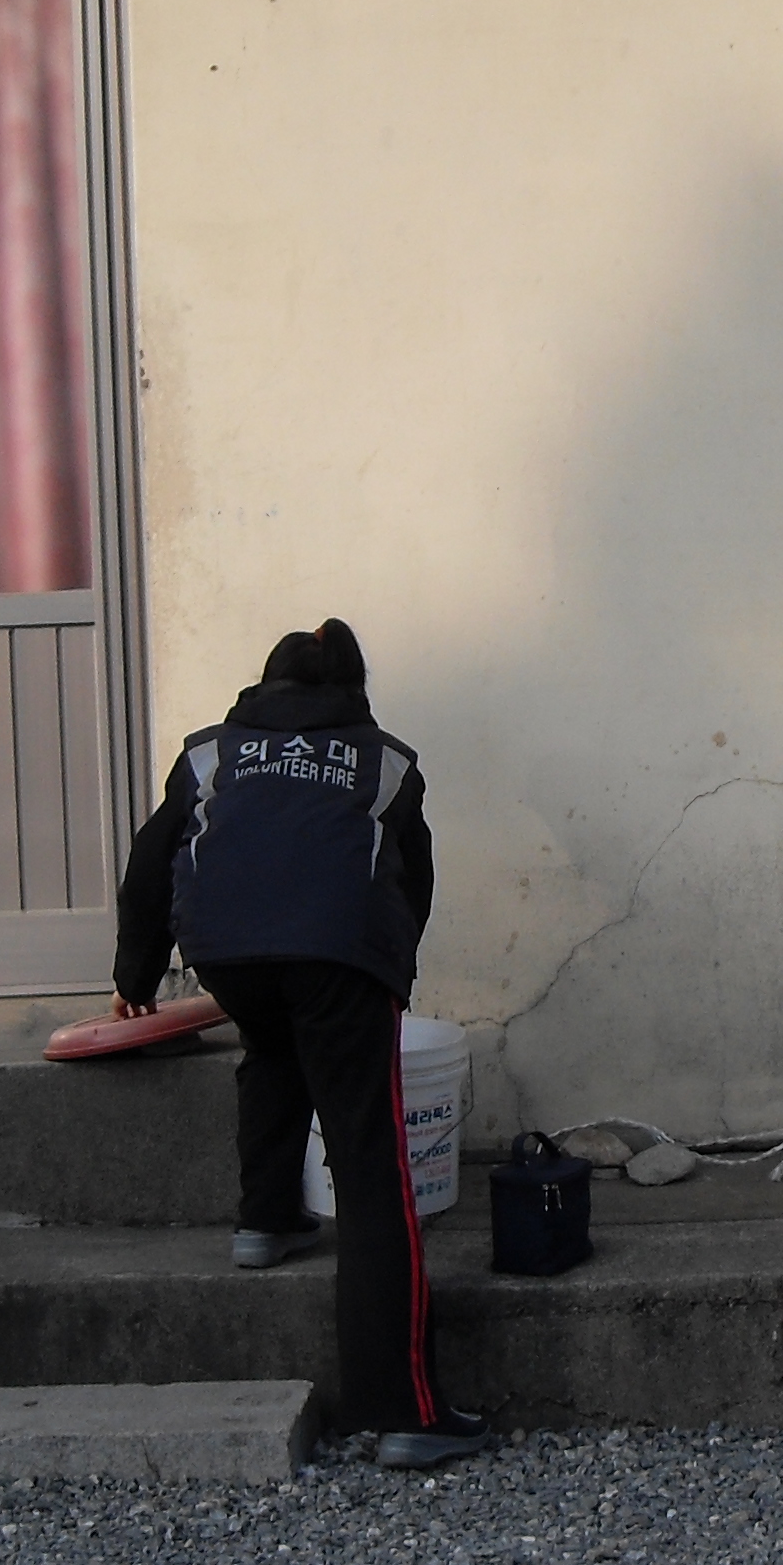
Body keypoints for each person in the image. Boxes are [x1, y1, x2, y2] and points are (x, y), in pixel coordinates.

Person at [110, 618, 485, 1470]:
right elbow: (412, 882)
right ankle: (406, 1410)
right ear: (352, 688)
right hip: (339, 952)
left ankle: (267, 1220)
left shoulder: (209, 753)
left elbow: (150, 861)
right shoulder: (384, 762)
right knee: (370, 1165)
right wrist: (386, 972)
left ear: (266, 682)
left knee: (273, 1046)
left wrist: (137, 975)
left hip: (223, 949)